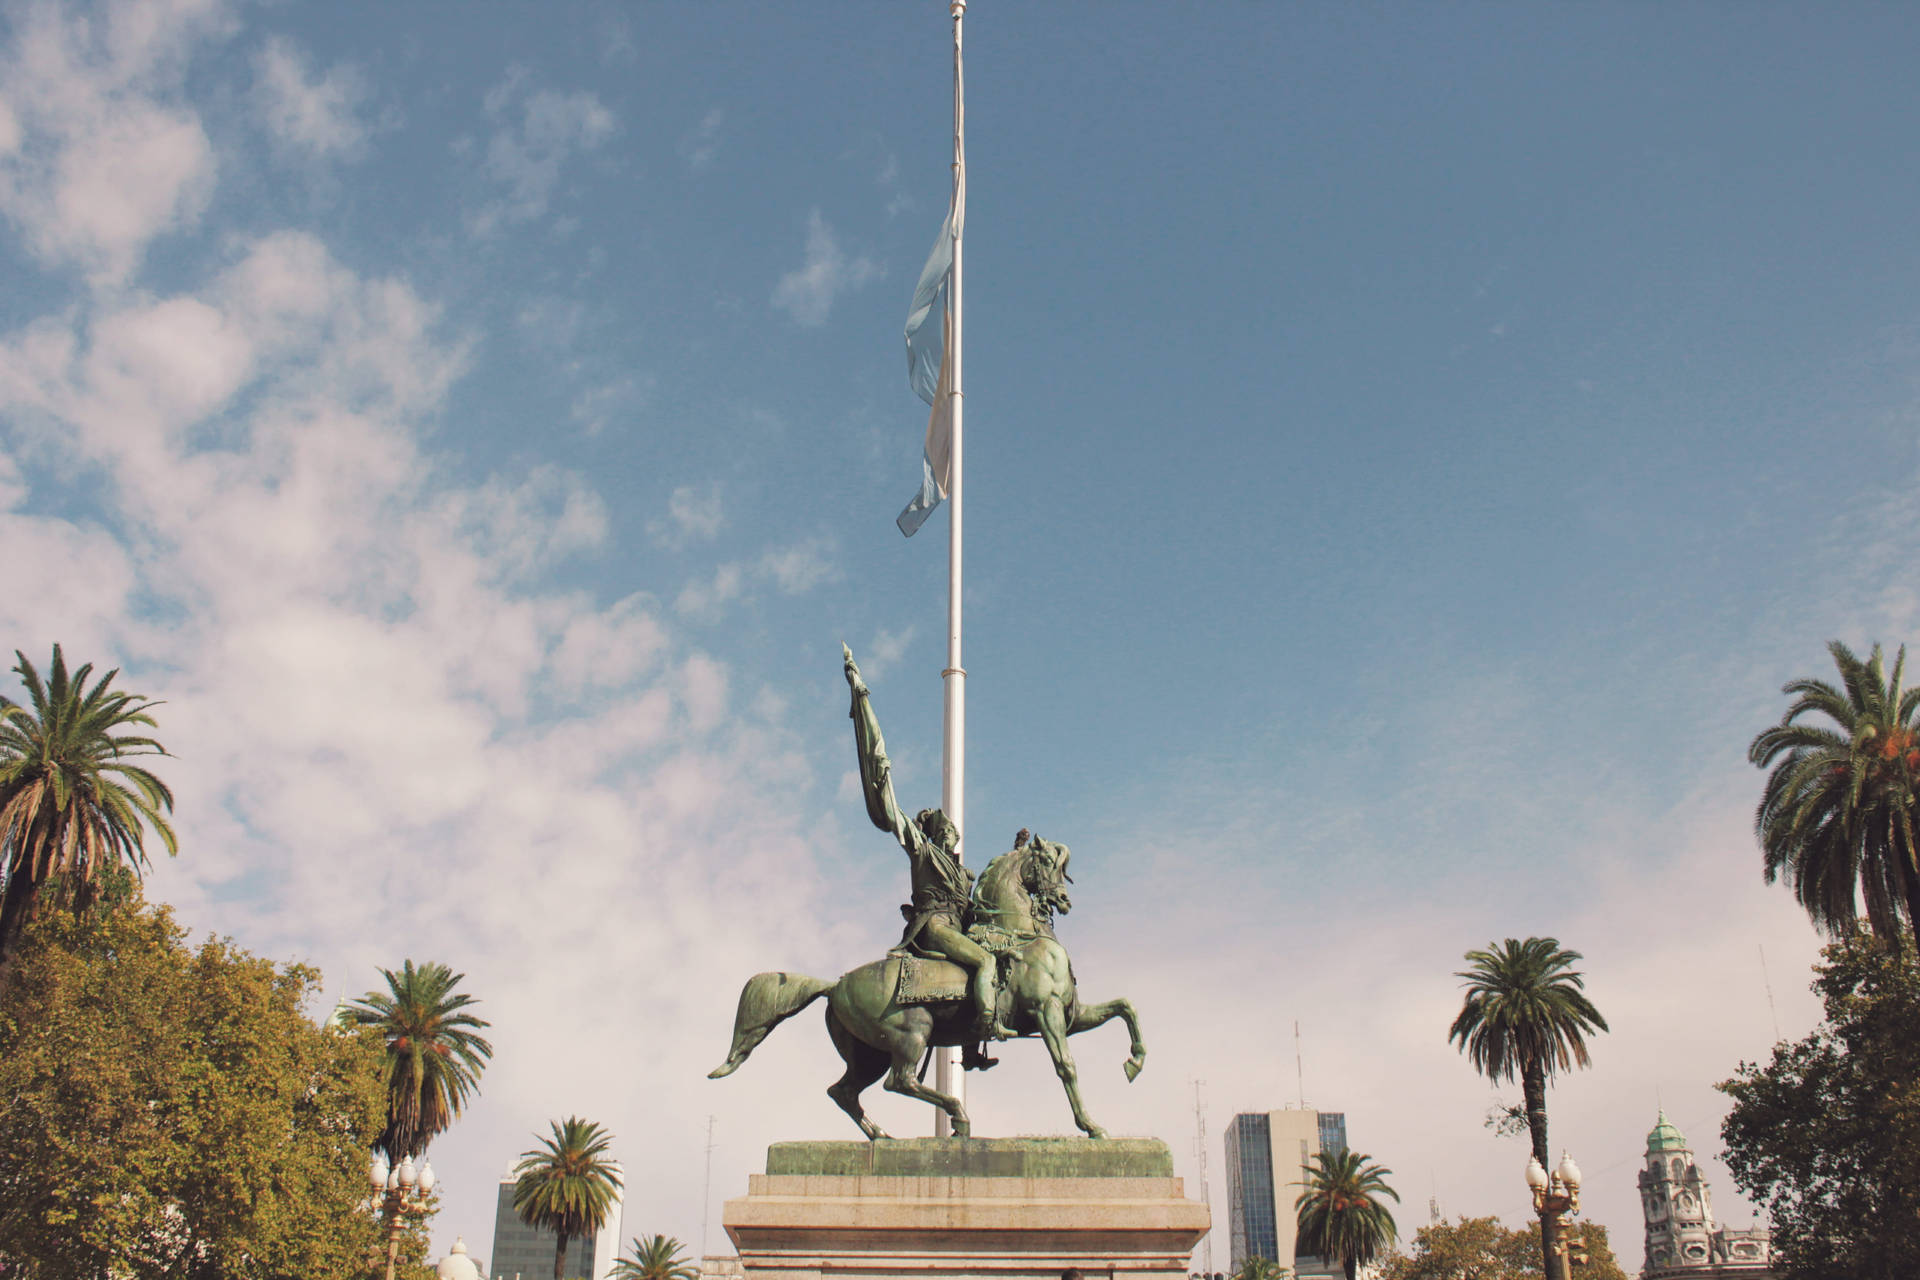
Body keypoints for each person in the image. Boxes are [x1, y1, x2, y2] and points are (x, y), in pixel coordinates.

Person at [843, 645, 1011, 1042]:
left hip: (958, 926)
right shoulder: (923, 852)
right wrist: (880, 772)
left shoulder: (959, 871)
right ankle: (985, 1027)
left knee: (1001, 960)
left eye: (953, 828)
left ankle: (971, 1044)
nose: (953, 830)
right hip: (934, 927)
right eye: (945, 827)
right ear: (933, 832)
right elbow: (892, 812)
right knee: (984, 960)